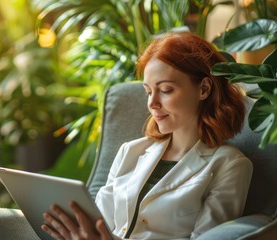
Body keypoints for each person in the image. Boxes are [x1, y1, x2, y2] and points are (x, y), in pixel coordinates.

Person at [41, 32, 253, 239]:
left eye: (166, 90)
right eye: (148, 91)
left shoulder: (229, 164)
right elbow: (101, 223)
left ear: (204, 89)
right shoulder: (130, 152)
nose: (152, 103)